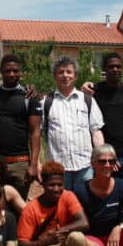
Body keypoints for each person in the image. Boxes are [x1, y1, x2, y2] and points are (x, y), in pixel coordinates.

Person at [17, 161, 89, 246]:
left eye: (59, 185)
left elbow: (84, 223)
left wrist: (58, 232)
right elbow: (23, 245)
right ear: (43, 184)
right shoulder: (31, 208)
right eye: (51, 185)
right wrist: (45, 242)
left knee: (77, 237)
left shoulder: (68, 196)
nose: (56, 189)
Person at [0, 55, 42, 197]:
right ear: (1, 72)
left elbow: (35, 132)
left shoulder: (29, 97)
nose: (11, 74)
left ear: (20, 72)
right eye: (7, 70)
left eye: (15, 71)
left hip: (19, 163)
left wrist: (33, 165)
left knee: (19, 207)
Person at [43, 56, 105, 192]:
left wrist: (102, 156)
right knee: (61, 207)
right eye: (61, 72)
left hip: (85, 166)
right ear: (55, 76)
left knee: (85, 206)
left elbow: (96, 131)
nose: (65, 75)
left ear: (75, 76)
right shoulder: (46, 102)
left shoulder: (87, 100)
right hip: (58, 169)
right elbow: (37, 132)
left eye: (69, 72)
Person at [82, 53, 123, 191]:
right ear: (104, 69)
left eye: (118, 66)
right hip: (103, 154)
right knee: (103, 190)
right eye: (111, 66)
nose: (115, 69)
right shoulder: (95, 91)